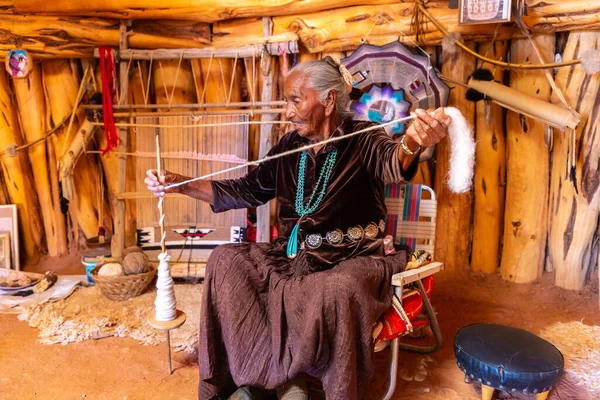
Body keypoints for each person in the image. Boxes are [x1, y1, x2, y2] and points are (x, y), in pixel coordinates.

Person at [145, 56, 451, 400]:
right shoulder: (290, 147)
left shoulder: (363, 136)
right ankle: (271, 382)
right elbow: (245, 190)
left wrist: (414, 141)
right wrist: (180, 184)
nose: (288, 112)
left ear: (328, 100)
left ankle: (291, 380)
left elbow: (393, 161)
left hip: (352, 258)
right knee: (226, 262)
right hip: (292, 257)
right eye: (286, 101)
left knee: (334, 288)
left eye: (295, 100)